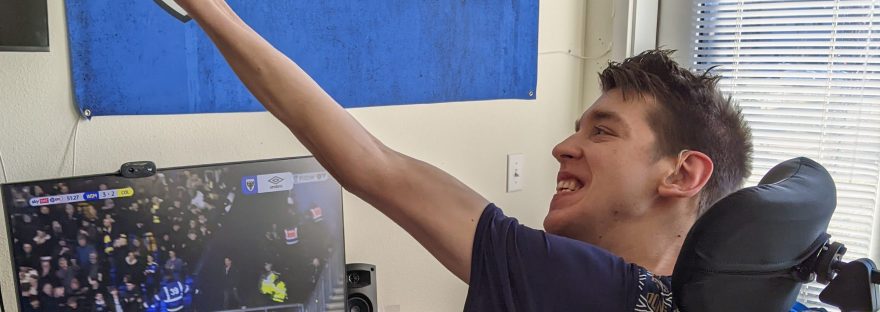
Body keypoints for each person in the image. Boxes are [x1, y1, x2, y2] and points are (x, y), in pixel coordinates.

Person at [170, 1, 752, 311]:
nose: (562, 147)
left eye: (602, 133)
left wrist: (212, 11)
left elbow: (374, 165)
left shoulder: (582, 284)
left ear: (683, 173)